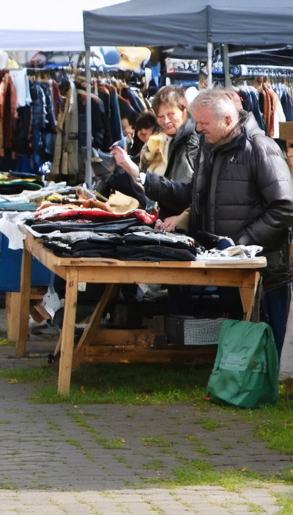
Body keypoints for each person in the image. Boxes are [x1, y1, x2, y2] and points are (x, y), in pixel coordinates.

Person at [112, 87, 293, 350]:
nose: (197, 128)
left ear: (227, 120)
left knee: (270, 350)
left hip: (263, 271)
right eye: (196, 122)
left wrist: (241, 243)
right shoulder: (211, 147)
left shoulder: (260, 148)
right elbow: (191, 194)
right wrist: (141, 178)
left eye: (203, 123)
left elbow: (285, 207)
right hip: (229, 266)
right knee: (240, 347)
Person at [147, 86, 202, 221]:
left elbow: (184, 195)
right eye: (161, 116)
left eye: (170, 115)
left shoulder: (190, 142)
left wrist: (146, 181)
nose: (165, 121)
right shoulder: (173, 138)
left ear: (184, 112)